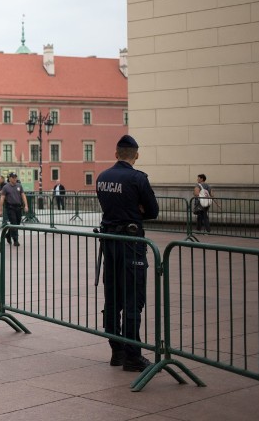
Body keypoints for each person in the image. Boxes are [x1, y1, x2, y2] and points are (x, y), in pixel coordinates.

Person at [96, 134, 159, 373]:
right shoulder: (137, 178)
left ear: (115, 153)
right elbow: (152, 211)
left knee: (112, 298)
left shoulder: (102, 177)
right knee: (134, 298)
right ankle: (133, 355)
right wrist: (136, 210)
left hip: (109, 242)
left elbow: (109, 206)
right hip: (131, 243)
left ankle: (117, 351)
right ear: (136, 155)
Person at [0, 172, 28, 246]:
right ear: (10, 178)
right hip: (10, 207)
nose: (15, 179)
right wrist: (0, 209)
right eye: (13, 177)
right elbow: (2, 198)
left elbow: (23, 195)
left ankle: (8, 235)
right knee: (14, 223)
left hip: (18, 207)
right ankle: (15, 240)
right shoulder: (6, 187)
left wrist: (26, 205)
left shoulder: (19, 186)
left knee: (17, 223)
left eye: (15, 177)